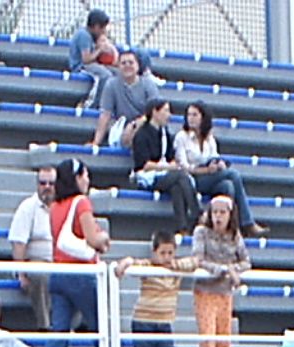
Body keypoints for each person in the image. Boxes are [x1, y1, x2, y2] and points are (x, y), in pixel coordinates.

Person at [38, 158, 108, 347]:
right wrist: (104, 238)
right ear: (77, 177)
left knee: (58, 334)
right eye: (85, 175)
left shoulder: (55, 206)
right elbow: (93, 239)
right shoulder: (81, 202)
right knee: (102, 331)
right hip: (80, 274)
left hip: (58, 273)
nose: (88, 180)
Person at [118, 228, 194, 347]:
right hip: (143, 321)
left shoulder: (176, 269)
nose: (166, 257)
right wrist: (127, 261)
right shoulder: (148, 268)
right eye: (162, 253)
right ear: (154, 253)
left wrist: (177, 264)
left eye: (170, 253)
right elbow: (133, 265)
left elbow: (195, 262)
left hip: (164, 322)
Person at [171, 101, 263, 235]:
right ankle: (247, 222)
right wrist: (206, 170)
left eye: (195, 115)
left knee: (228, 186)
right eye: (189, 115)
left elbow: (214, 157)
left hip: (210, 176)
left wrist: (219, 164)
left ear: (203, 118)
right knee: (234, 175)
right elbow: (183, 167)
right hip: (193, 177)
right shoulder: (182, 137)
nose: (191, 118)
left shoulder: (210, 139)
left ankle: (227, 228)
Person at [191, 193, 248, 347]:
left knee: (223, 342)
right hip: (205, 292)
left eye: (222, 212)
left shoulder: (235, 235)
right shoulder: (201, 232)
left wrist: (234, 269)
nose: (218, 217)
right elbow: (198, 259)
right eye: (215, 212)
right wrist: (223, 270)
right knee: (208, 341)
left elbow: (246, 261)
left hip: (225, 293)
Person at [130, 98, 200, 229]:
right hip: (147, 177)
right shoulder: (141, 135)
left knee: (177, 188)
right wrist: (168, 166)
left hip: (163, 174)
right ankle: (197, 213)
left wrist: (171, 164)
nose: (169, 115)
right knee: (180, 176)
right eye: (166, 111)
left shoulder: (165, 133)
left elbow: (170, 157)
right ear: (155, 112)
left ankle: (183, 227)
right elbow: (144, 165)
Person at [8, 164, 56, 333]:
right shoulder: (27, 207)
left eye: (51, 183)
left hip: (61, 261)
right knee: (40, 275)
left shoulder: (63, 207)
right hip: (36, 261)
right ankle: (44, 325)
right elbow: (18, 242)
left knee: (85, 276)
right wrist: (21, 273)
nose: (47, 187)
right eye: (43, 183)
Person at [89, 48, 162, 151]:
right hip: (122, 127)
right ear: (118, 66)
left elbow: (156, 112)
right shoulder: (111, 85)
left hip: (146, 125)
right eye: (123, 63)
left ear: (137, 66)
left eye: (131, 62)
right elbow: (105, 115)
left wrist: (135, 125)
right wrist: (96, 143)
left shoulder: (148, 84)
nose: (127, 65)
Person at [67, 8, 118, 111]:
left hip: (91, 64)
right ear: (95, 26)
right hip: (80, 66)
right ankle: (93, 105)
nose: (104, 31)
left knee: (116, 73)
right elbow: (86, 59)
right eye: (102, 28)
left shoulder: (94, 36)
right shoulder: (84, 35)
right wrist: (99, 50)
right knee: (104, 75)